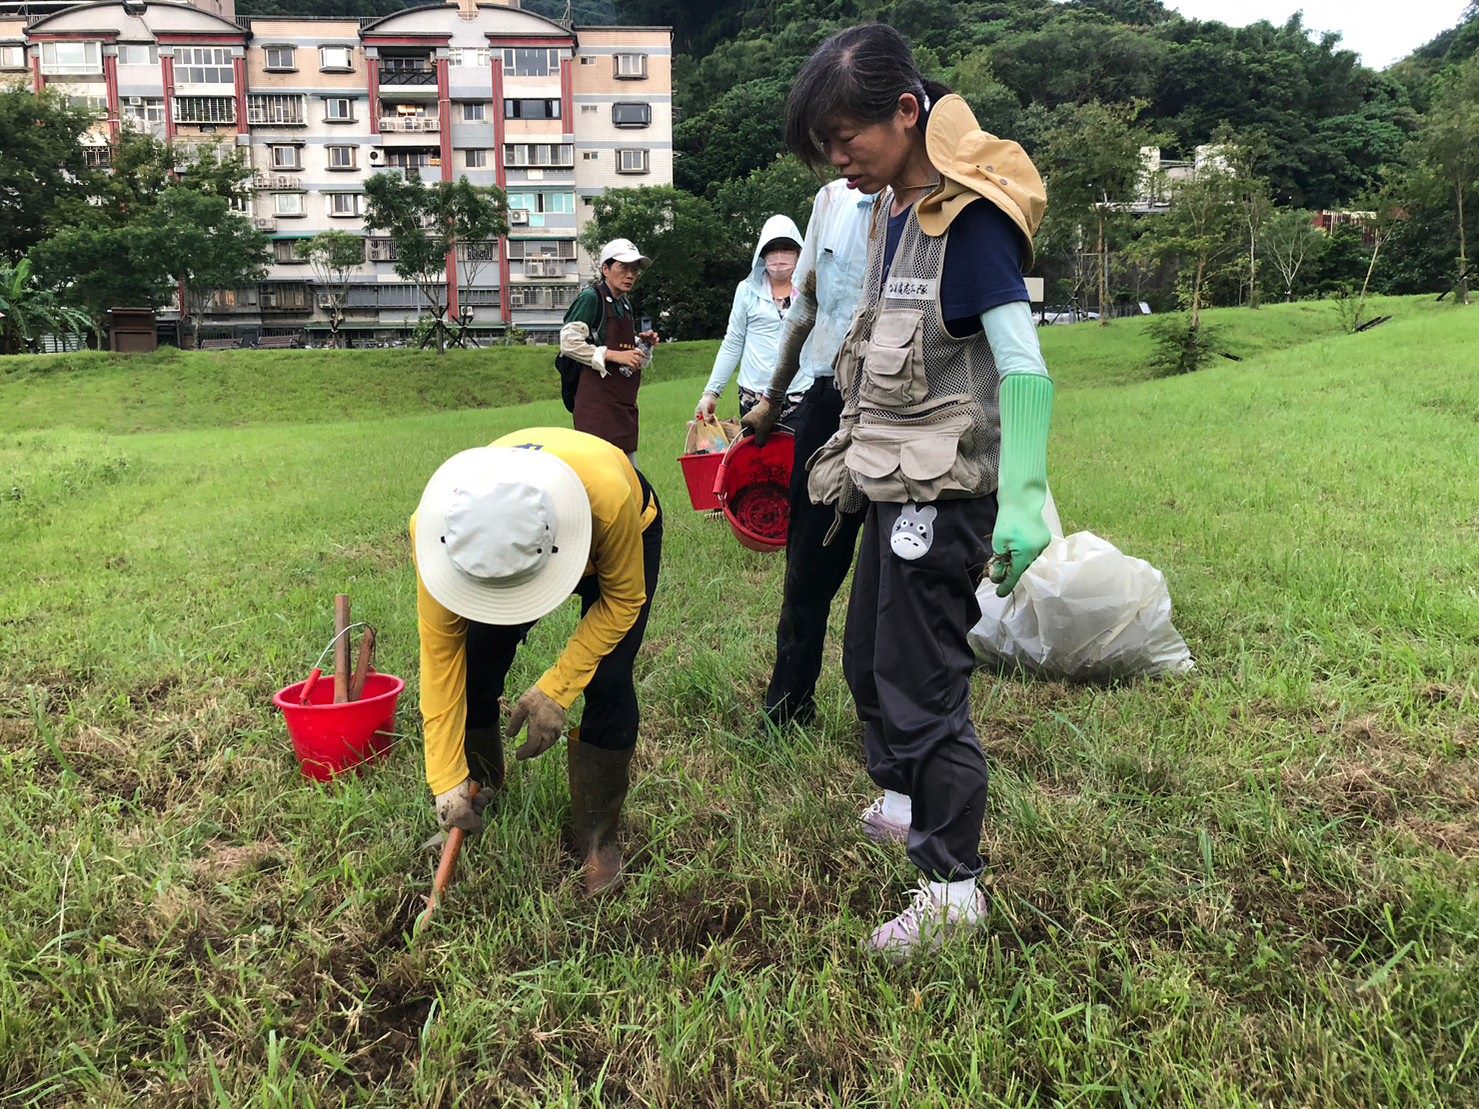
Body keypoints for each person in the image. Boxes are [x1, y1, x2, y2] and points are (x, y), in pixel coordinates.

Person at [775, 24, 1054, 958]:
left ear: (905, 112)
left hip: (947, 493)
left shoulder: (968, 216)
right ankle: (901, 799)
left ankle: (952, 885)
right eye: (826, 149)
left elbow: (1021, 363)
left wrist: (1024, 495)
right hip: (892, 478)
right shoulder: (894, 204)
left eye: (846, 140)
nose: (838, 162)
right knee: (869, 656)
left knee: (923, 680)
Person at [410, 426, 662, 895]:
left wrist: (556, 689)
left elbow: (624, 600)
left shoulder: (608, 500)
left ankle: (597, 840)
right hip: (510, 540)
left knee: (607, 680)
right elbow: (442, 659)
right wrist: (445, 779)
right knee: (477, 665)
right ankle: (478, 788)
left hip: (620, 528)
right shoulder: (439, 529)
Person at [743, 182, 877, 727]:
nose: (841, 156)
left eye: (848, 135)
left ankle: (891, 717)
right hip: (827, 397)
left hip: (908, 404)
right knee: (807, 567)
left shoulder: (937, 193)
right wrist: (774, 397)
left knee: (895, 568)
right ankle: (789, 705)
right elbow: (807, 307)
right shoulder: (832, 200)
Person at [694, 215, 807, 421]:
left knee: (799, 453)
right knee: (756, 454)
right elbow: (734, 341)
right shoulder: (746, 290)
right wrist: (711, 392)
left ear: (799, 253)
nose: (779, 256)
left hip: (800, 393)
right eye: (772, 249)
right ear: (763, 255)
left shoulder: (810, 291)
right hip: (753, 396)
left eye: (787, 249)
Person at [560, 239, 661, 464]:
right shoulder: (590, 298)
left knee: (629, 474)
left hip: (624, 405)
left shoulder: (624, 304)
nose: (630, 275)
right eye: (623, 267)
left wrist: (642, 344)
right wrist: (613, 355)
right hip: (597, 406)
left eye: (634, 269)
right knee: (601, 477)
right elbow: (568, 342)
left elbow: (620, 349)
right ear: (605, 269)